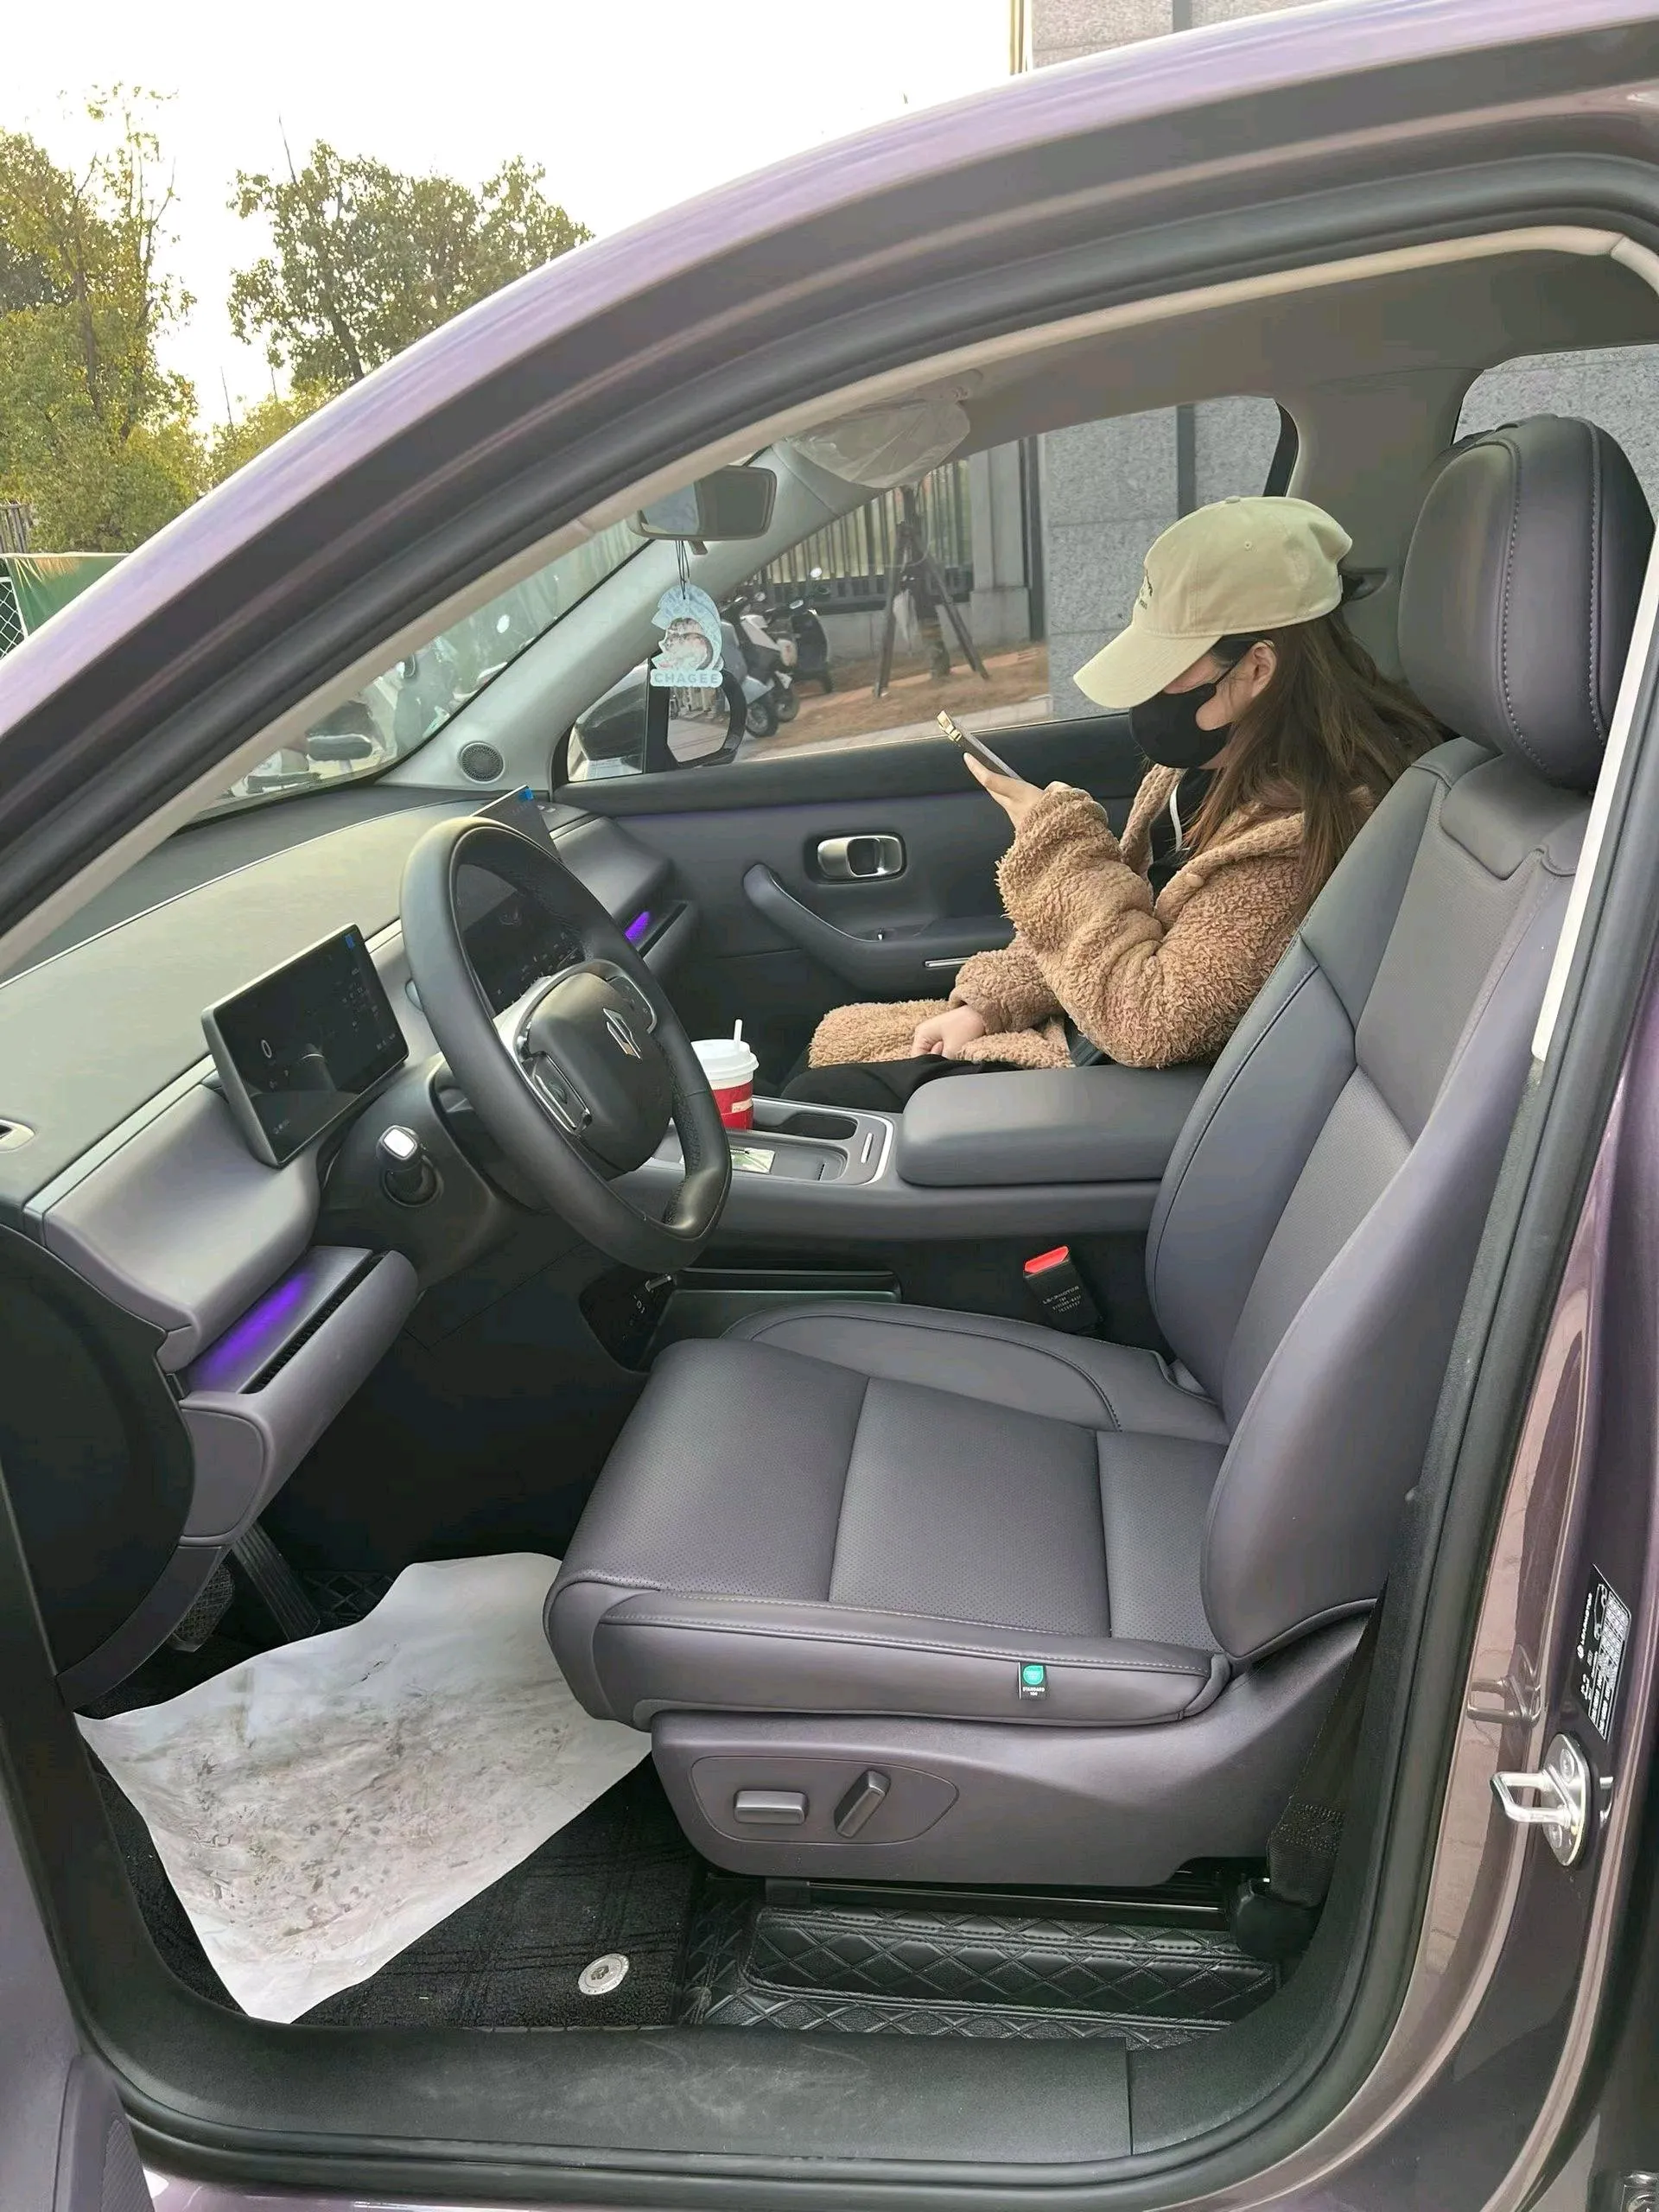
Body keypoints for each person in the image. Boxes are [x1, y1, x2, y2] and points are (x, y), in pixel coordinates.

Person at [786, 495, 1440, 1110]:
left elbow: (1150, 1020)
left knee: (823, 1102)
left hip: (1128, 1087)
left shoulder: (1306, 831)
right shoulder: (1204, 769)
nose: (1146, 693)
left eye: (1167, 667)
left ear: (1256, 670)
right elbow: (1118, 921)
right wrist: (985, 1007)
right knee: (821, 1059)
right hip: (1086, 1032)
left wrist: (1058, 849)